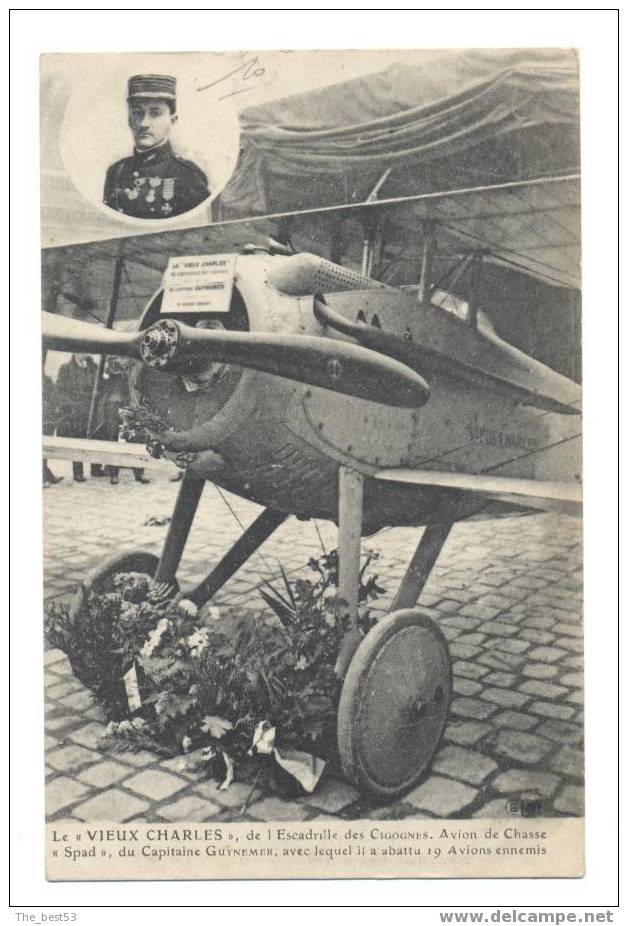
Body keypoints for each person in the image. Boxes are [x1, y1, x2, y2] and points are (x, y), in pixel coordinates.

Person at [103, 74, 209, 220]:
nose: (144, 123)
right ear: (129, 119)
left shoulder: (188, 175)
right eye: (137, 113)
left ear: (172, 120)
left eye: (155, 113)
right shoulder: (116, 173)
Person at [101, 357, 149, 486]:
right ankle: (113, 473)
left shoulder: (137, 360)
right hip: (113, 403)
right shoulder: (110, 360)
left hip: (131, 403)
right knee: (112, 438)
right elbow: (106, 377)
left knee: (136, 437)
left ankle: (139, 472)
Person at [56, 354, 97, 482]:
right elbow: (60, 390)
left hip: (90, 409)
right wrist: (71, 406)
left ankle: (96, 468)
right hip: (75, 411)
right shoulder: (65, 368)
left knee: (92, 438)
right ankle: (78, 472)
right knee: (77, 440)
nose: (85, 353)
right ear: (75, 353)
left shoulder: (93, 367)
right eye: (82, 351)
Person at [42, 373, 62, 486]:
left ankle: (46, 475)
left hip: (47, 418)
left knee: (44, 448)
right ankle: (44, 477)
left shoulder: (47, 379)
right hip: (45, 417)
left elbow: (55, 397)